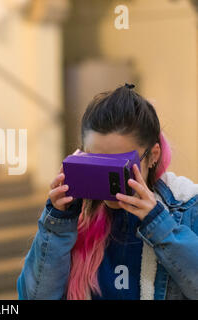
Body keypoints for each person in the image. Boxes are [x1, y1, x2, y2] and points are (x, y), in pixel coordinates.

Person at [17, 84, 198, 300]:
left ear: (153, 155)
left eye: (119, 166)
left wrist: (160, 226)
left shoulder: (186, 207)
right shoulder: (76, 212)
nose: (110, 180)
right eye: (96, 163)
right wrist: (57, 223)